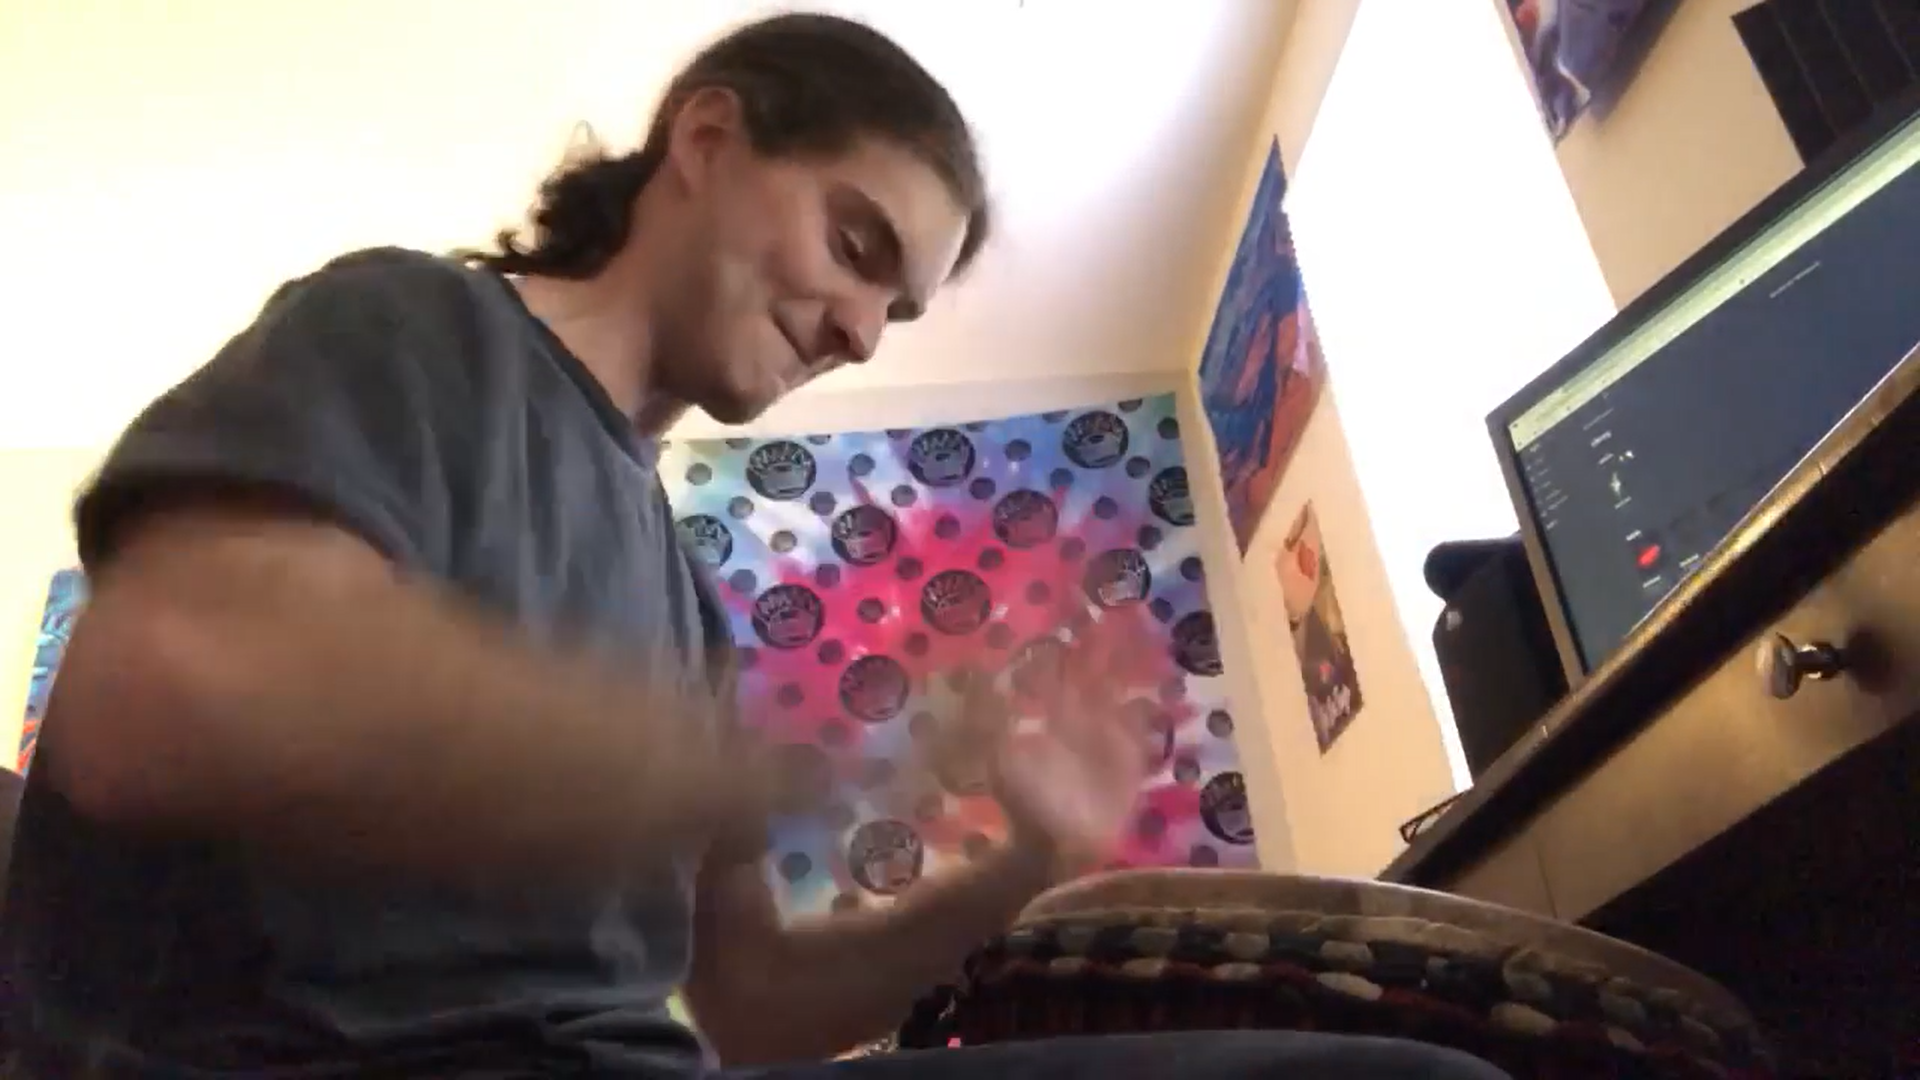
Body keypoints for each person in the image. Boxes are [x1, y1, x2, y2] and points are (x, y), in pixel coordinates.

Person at [0, 13, 1510, 1080]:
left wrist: (1024, 864)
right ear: (706, 137)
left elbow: (745, 1003)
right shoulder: (409, 328)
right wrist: (762, 764)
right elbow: (174, 691)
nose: (861, 329)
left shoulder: (686, 605)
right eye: (858, 245)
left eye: (897, 311)